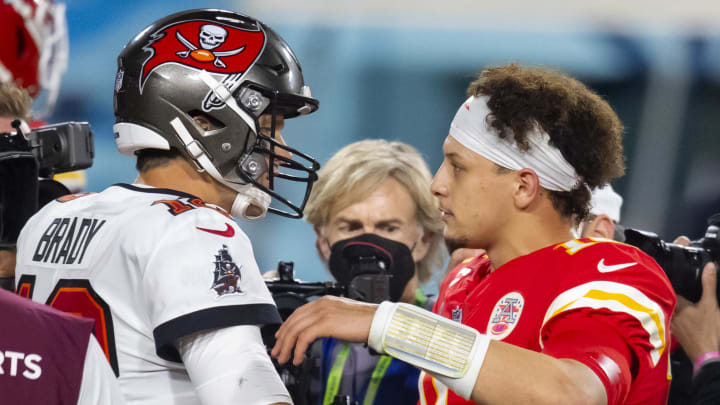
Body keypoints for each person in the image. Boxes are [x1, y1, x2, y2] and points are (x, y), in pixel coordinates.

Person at [272, 64, 676, 405]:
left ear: (523, 186)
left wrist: (388, 322)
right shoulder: (464, 282)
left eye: (457, 166)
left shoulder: (610, 271)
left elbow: (573, 393)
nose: (437, 185)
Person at [14, 9, 321, 405]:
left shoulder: (52, 218)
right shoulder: (195, 230)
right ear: (204, 120)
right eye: (267, 128)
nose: (280, 151)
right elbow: (244, 390)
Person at [301, 139, 445, 405]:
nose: (368, 243)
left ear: (424, 240)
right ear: (322, 239)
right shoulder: (300, 332)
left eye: (388, 228)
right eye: (351, 227)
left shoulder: (453, 333)